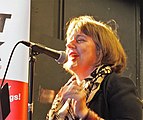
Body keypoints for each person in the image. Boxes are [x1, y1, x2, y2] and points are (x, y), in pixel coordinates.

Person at [46, 15, 142, 120]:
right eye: (69, 41)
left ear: (100, 50)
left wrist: (85, 114)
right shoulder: (63, 94)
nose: (69, 45)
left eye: (80, 40)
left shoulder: (116, 84)